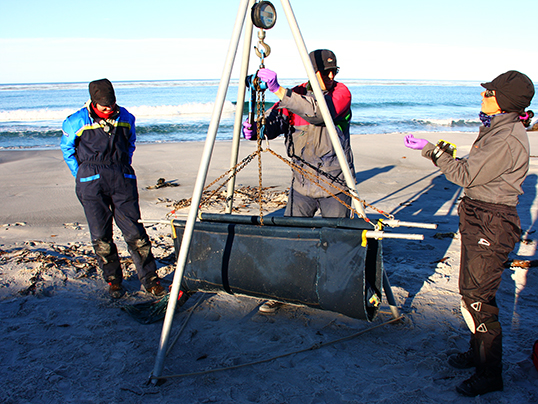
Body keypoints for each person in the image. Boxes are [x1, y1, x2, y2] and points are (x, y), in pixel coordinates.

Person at [404, 70, 535, 397]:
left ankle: (490, 373)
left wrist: (433, 151)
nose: (482, 96)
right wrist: (446, 153)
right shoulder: (498, 128)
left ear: (503, 102)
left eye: (488, 93)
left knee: (478, 298)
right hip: (480, 215)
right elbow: (476, 169)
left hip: (492, 220)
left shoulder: (505, 137)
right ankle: (477, 353)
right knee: (469, 289)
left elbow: (464, 174)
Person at [243, 49, 354, 313]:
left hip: (334, 185)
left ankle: (336, 292)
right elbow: (273, 125)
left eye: (334, 71)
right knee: (290, 241)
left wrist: (280, 91)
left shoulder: (341, 94)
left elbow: (319, 113)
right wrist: (257, 129)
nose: (331, 75)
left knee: (337, 244)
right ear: (310, 71)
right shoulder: (293, 96)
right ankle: (283, 290)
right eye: (325, 71)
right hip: (301, 185)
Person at [61, 79, 166, 299]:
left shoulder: (126, 117)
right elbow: (67, 149)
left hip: (122, 179)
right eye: (103, 106)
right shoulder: (75, 121)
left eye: (111, 104)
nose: (108, 109)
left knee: (136, 233)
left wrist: (122, 166)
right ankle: (114, 282)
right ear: (93, 102)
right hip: (91, 182)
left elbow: (131, 143)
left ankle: (150, 280)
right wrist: (81, 175)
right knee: (101, 236)